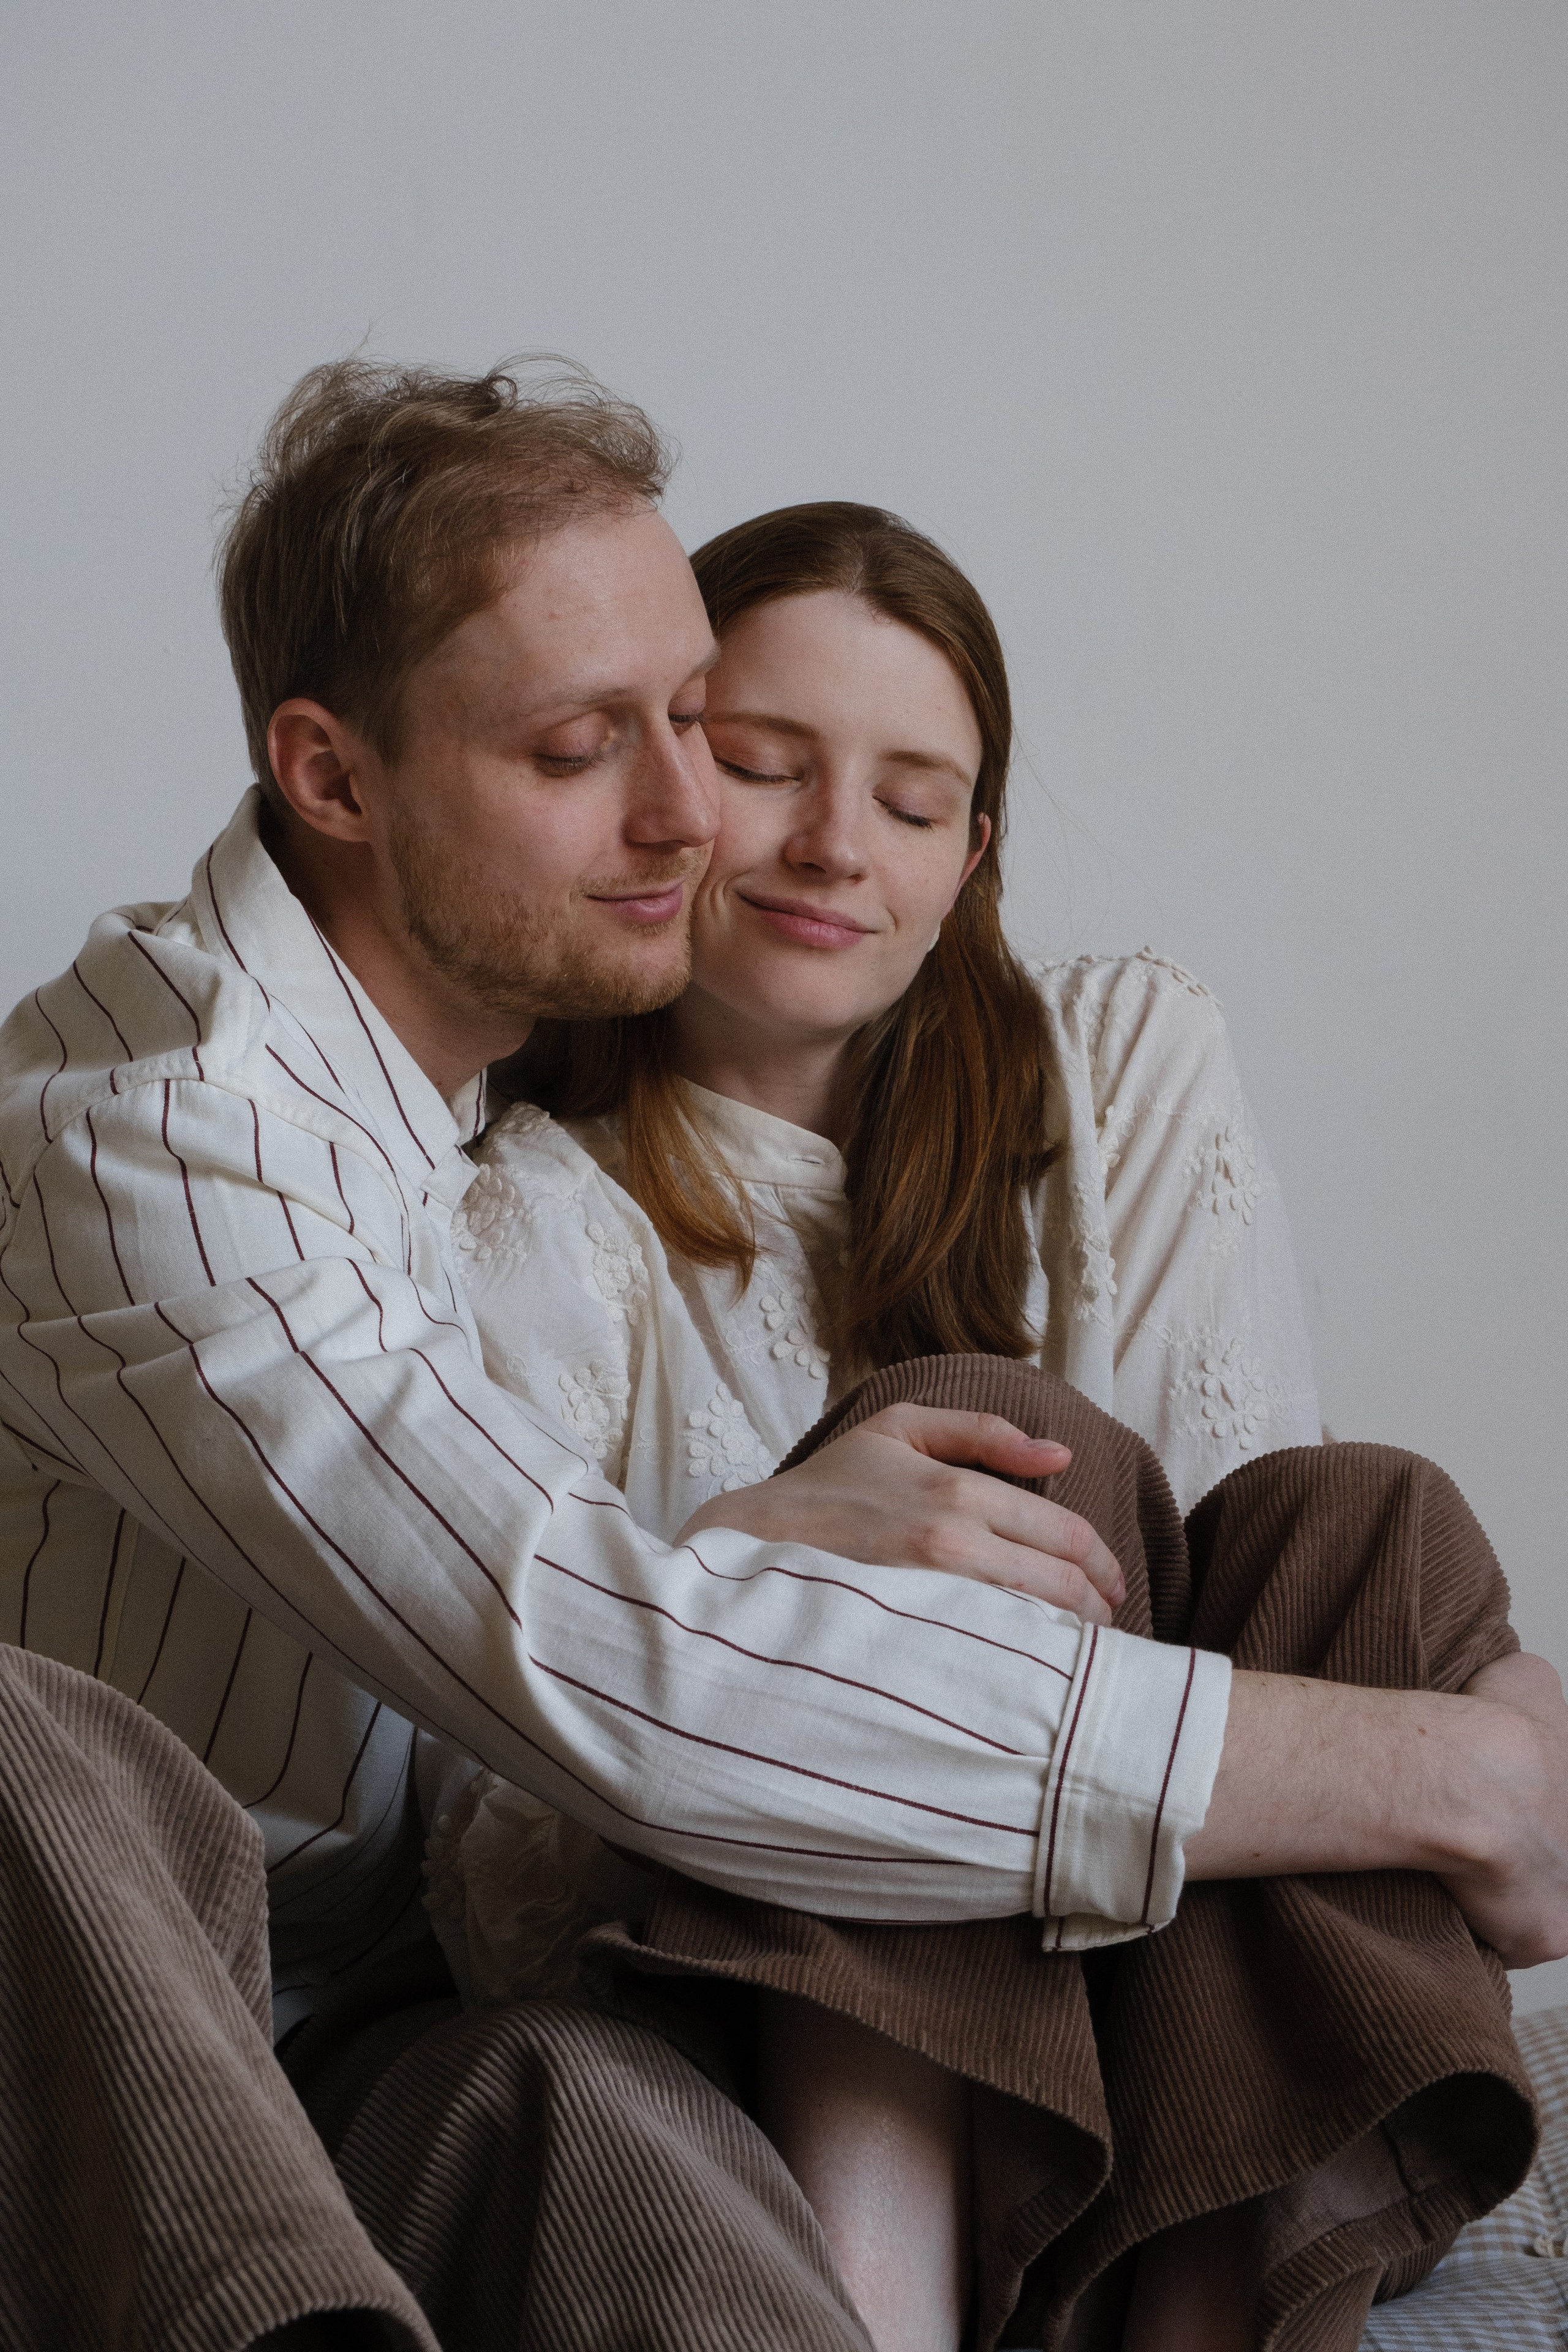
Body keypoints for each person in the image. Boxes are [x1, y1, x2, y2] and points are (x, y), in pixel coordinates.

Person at [0, 356, 1564, 2352]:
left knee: (1346, 1519)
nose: (690, 820)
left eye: (685, 722)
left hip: (403, 1996)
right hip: (179, 2024)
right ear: (334, 780)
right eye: (587, 747)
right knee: (100, 1789)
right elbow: (633, 1688)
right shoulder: (177, 1147)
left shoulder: (431, 1096)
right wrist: (1457, 1771)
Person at [432, 501, 1535, 2350]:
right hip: (762, 2020)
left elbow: (1256, 1592)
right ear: (656, 786)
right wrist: (752, 1581)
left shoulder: (1122, 1060)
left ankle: (1206, 2314)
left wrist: (1470, 1721)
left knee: (1365, 1516)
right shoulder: (526, 1205)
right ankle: (886, 2308)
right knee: (976, 1435)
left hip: (1175, 2002)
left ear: (975, 855)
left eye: (914, 802)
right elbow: (487, 1861)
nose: (834, 848)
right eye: (765, 766)